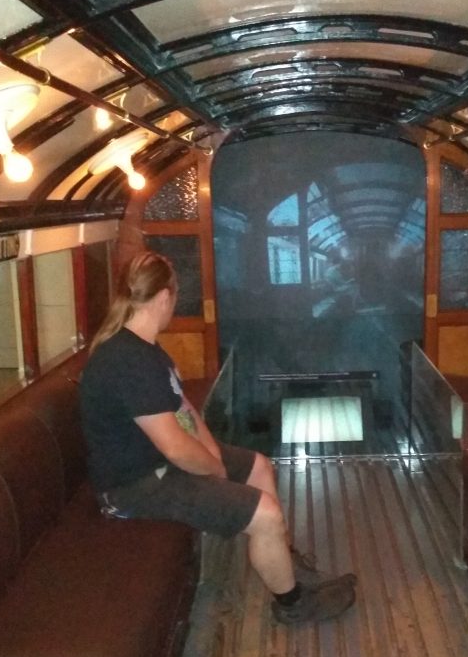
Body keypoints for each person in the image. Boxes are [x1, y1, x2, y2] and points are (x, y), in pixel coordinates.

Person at [79, 252, 356, 624]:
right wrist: (212, 469)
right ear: (164, 297)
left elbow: (185, 411)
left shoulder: (146, 350)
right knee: (266, 514)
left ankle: (286, 563)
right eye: (174, 299)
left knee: (259, 466)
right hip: (133, 486)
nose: (174, 306)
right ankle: (293, 605)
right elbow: (176, 448)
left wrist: (214, 456)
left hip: (158, 465)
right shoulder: (126, 361)